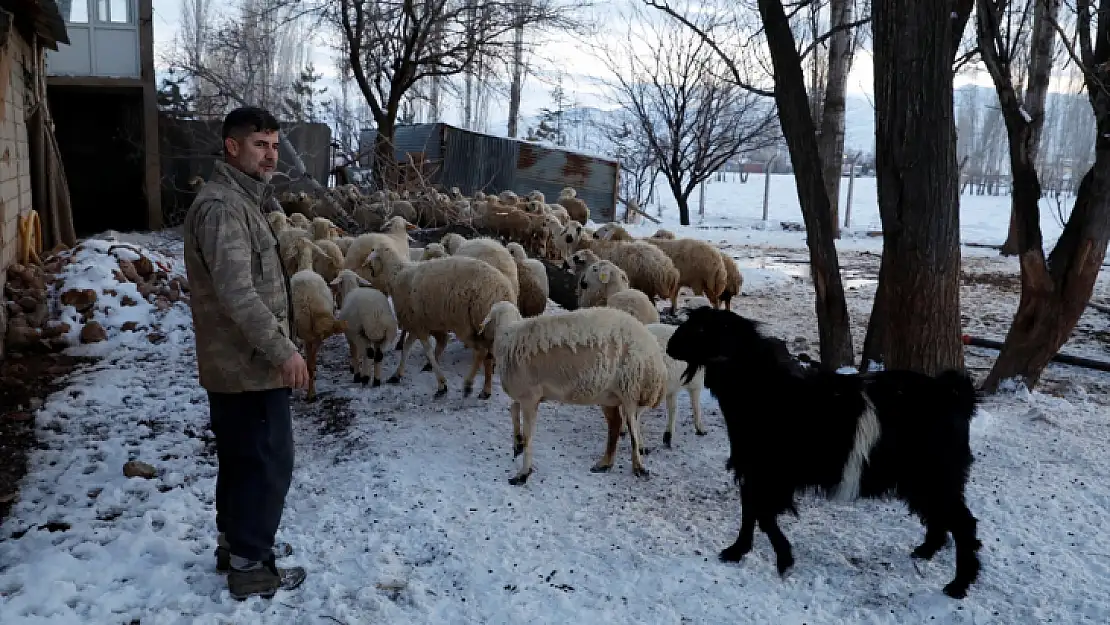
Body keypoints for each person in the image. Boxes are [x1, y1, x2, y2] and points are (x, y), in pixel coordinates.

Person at [182, 106, 309, 601]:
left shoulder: (242, 202)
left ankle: (237, 546)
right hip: (248, 366)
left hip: (241, 365)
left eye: (275, 145)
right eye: (260, 144)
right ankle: (252, 566)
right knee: (265, 462)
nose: (270, 154)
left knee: (241, 461)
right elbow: (238, 294)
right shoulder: (224, 209)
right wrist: (284, 351)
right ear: (232, 147)